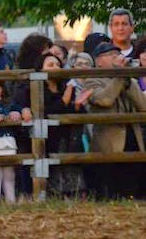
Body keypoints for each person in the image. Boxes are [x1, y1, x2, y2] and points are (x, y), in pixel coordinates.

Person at [82, 42, 146, 198]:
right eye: (111, 56)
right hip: (109, 145)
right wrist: (119, 77)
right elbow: (104, 100)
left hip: (134, 142)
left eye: (118, 55)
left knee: (134, 192)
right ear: (98, 61)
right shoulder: (92, 80)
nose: (116, 58)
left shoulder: (128, 79)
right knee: (109, 193)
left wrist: (127, 79)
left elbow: (143, 105)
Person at [36, 53, 85, 197]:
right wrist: (65, 99)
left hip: (69, 138)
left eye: (58, 64)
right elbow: (45, 112)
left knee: (72, 171)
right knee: (54, 174)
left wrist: (77, 106)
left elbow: (76, 114)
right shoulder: (35, 89)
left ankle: (77, 195)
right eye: (50, 65)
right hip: (49, 140)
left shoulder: (66, 87)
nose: (55, 68)